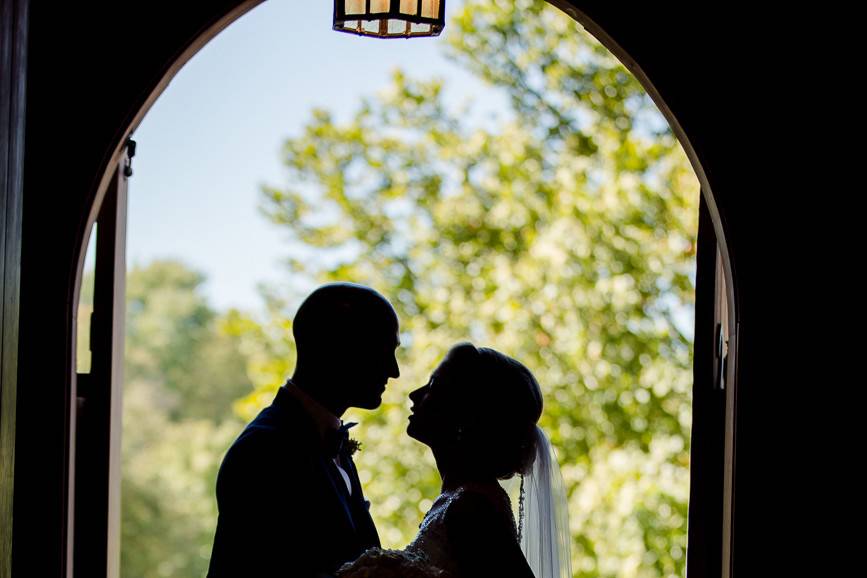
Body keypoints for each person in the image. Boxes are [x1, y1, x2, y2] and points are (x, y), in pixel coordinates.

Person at [207, 282, 401, 578]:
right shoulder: (264, 450)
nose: (393, 370)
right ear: (337, 346)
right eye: (382, 350)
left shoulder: (326, 440)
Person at [339, 342, 571, 578]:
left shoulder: (472, 507)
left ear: (467, 413)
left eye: (434, 386)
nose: (414, 394)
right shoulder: (459, 498)